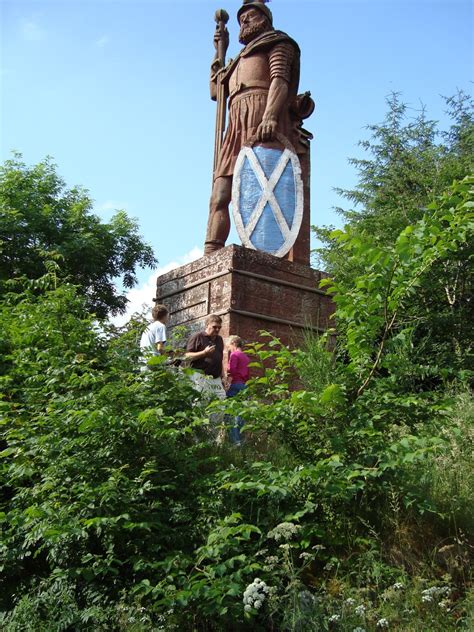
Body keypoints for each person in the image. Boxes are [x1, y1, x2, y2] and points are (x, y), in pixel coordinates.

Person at [205, 0, 307, 255]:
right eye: (241, 19)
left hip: (262, 115)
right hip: (235, 124)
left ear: (265, 18)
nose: (245, 22)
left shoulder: (278, 43)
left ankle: (276, 254)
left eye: (250, 16)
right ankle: (211, 251)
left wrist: (270, 116)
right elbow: (216, 93)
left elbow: (280, 81)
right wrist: (219, 55)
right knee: (220, 193)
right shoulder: (236, 60)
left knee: (270, 186)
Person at [185, 314, 226, 399]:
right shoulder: (198, 337)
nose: (217, 329)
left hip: (216, 378)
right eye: (215, 327)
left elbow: (219, 359)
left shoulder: (219, 339)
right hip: (200, 376)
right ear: (207, 325)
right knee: (201, 402)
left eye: (219, 327)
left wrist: (223, 376)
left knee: (221, 401)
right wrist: (204, 353)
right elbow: (187, 356)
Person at [225, 335, 250, 444]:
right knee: (240, 414)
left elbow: (232, 370)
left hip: (235, 384)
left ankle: (234, 441)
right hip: (244, 386)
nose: (229, 349)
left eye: (229, 346)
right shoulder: (246, 357)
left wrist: (226, 371)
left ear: (234, 343)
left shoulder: (234, 355)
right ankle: (241, 440)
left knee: (229, 413)